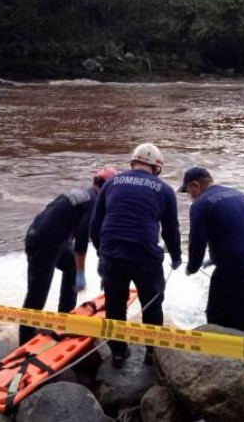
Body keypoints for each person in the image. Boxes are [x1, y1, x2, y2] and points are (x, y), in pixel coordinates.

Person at [90, 143, 182, 367]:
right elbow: (171, 229)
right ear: (156, 167)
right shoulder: (165, 190)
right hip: (146, 256)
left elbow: (95, 224)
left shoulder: (111, 183)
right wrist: (177, 257)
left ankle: (119, 354)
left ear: (133, 162)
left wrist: (102, 252)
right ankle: (152, 353)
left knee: (114, 305)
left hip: (112, 254)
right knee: (152, 304)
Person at [19, 166, 118, 345]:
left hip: (45, 237)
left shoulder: (81, 192)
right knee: (36, 296)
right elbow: (82, 237)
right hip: (44, 243)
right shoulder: (95, 201)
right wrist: (82, 274)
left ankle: (65, 317)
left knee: (70, 265)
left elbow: (56, 215)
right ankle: (25, 343)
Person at [179, 167, 244, 339]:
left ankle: (220, 363)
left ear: (195, 185)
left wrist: (192, 267)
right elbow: (237, 233)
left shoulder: (200, 205)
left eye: (188, 191)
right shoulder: (237, 194)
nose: (189, 196)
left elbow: (196, 244)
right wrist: (214, 258)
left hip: (236, 272)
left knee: (218, 323)